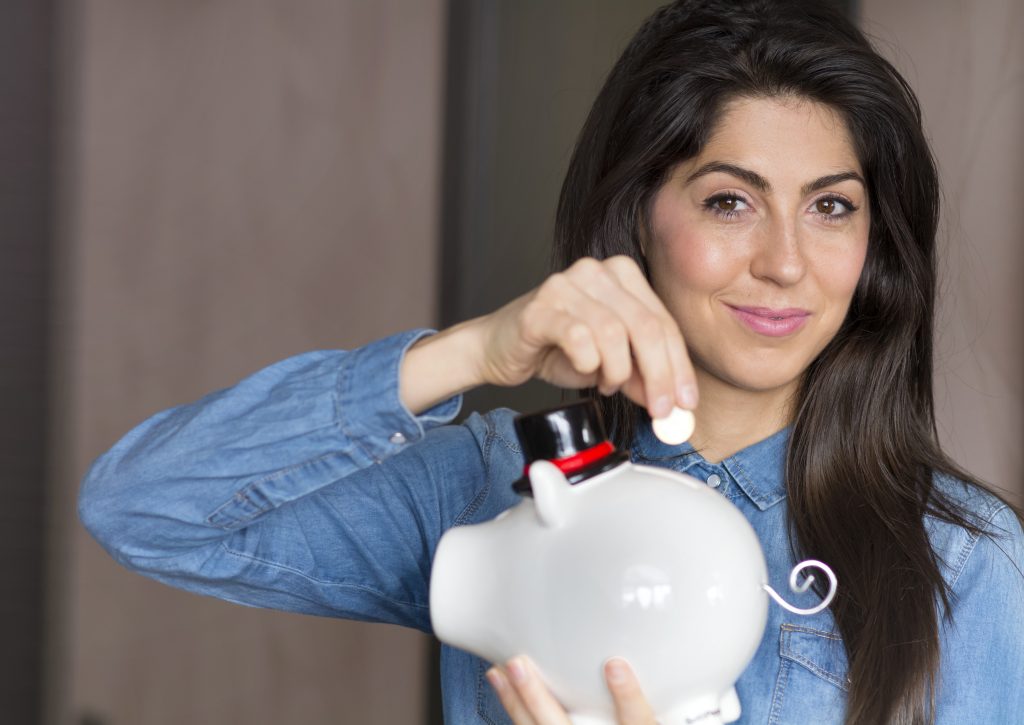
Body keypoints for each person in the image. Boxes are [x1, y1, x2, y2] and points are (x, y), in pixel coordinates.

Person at [78, 1, 1024, 723]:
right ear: (638, 217)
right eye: (729, 201)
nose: (784, 262)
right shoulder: (497, 486)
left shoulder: (960, 556)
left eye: (831, 207)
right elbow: (144, 508)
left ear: (876, 248)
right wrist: (471, 350)